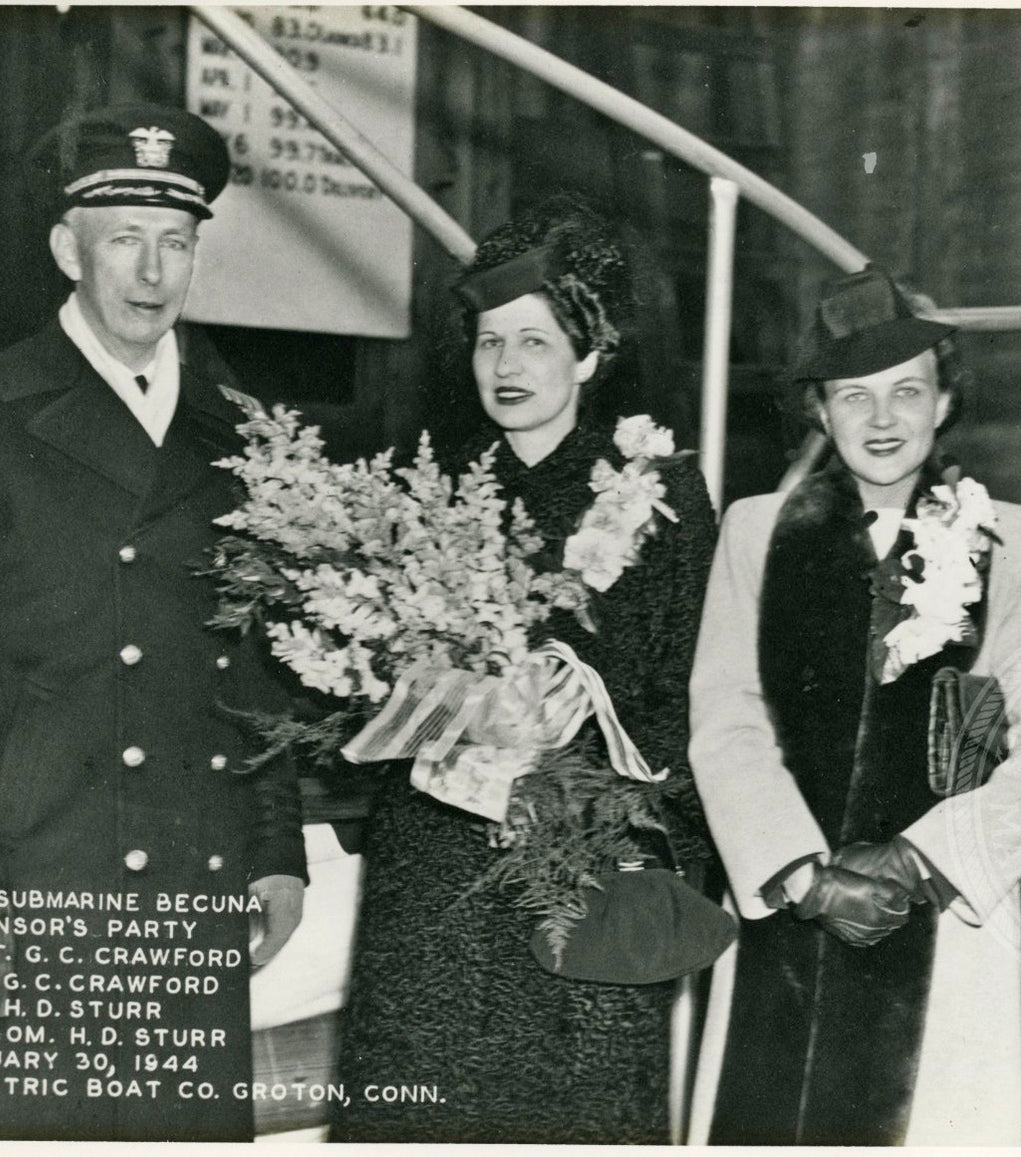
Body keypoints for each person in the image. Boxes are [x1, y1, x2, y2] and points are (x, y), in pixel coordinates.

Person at [0, 104, 307, 1141]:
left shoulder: (239, 434)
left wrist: (277, 845)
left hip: (192, 887)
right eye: (124, 241)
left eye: (176, 242)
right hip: (38, 882)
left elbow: (257, 662)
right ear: (67, 249)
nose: (151, 274)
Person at [330, 195, 717, 1143]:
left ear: (591, 353)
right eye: (488, 342)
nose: (505, 368)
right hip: (437, 885)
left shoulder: (660, 495)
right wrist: (437, 698)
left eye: (534, 342)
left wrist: (593, 707)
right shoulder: (428, 490)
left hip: (585, 878)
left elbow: (699, 693)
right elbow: (366, 689)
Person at [687, 268, 1021, 1144]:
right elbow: (726, 716)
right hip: (789, 913)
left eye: (906, 391)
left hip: (943, 920)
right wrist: (801, 874)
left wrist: (915, 861)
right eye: (851, 396)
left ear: (943, 403)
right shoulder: (755, 532)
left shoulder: (1015, 541)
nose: (880, 419)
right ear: (818, 413)